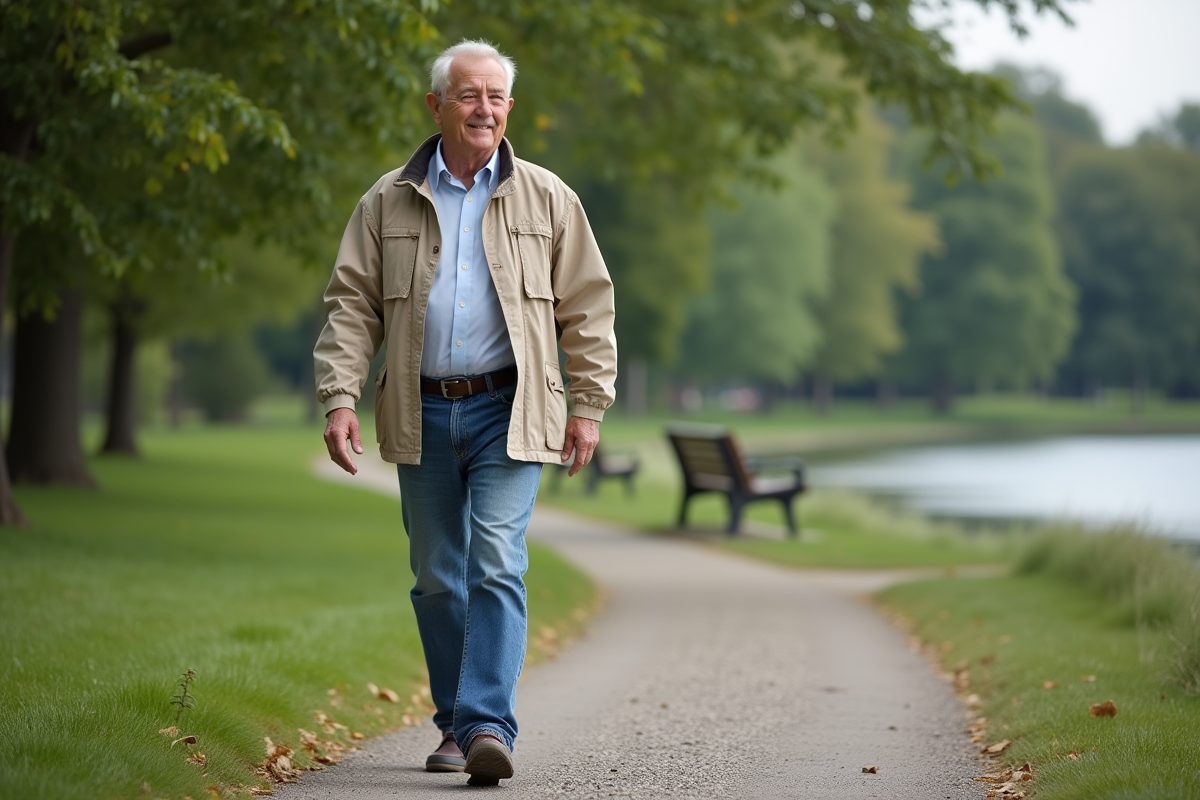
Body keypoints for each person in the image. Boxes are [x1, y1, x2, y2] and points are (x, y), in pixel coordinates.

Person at [313, 39, 617, 787]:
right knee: (437, 576)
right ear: (436, 106)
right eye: (469, 95)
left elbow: (587, 307)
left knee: (495, 561)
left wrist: (588, 404)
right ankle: (456, 721)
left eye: (497, 96)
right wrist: (339, 396)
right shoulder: (387, 200)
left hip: (510, 410)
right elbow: (351, 306)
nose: (485, 109)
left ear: (510, 108)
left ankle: (486, 723)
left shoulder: (549, 198)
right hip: (419, 410)